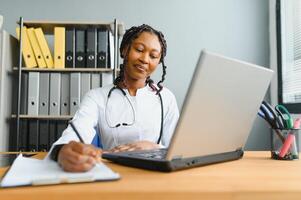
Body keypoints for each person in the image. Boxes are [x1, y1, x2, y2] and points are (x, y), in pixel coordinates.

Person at [48, 24, 179, 172]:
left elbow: (178, 150)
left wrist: (154, 148)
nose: (145, 59)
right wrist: (62, 152)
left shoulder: (166, 98)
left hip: (155, 174)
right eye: (139, 50)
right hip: (113, 172)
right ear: (124, 50)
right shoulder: (97, 97)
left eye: (153, 56)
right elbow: (74, 134)